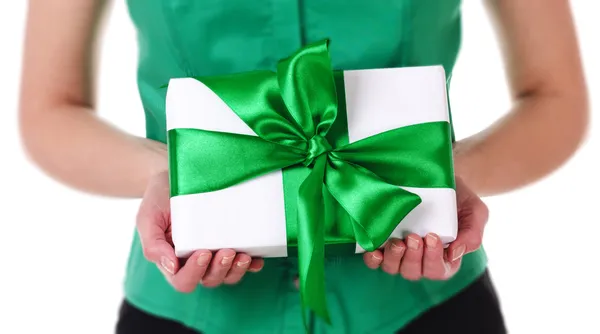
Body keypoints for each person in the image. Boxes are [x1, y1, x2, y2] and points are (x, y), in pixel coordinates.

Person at [18, 0, 588, 333]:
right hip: (186, 311)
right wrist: (173, 181)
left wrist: (441, 176)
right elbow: (49, 112)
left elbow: (555, 95)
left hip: (425, 305)